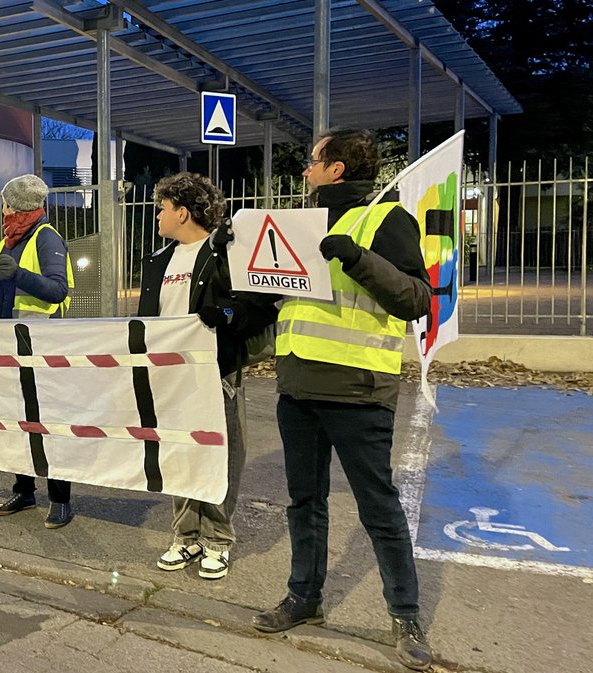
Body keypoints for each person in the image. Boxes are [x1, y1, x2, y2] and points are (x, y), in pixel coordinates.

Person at [251, 129, 433, 671]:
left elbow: (416, 299)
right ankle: (304, 599)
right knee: (305, 503)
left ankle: (405, 615)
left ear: (335, 169)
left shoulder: (385, 219)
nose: (304, 171)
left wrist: (355, 257)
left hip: (357, 392)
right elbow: (281, 299)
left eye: (311, 162)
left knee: (379, 510)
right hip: (297, 388)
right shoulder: (300, 225)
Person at [137, 173, 278, 579]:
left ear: (182, 211)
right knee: (180, 455)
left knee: (222, 454)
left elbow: (262, 309)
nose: (157, 217)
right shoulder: (157, 261)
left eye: (161, 208)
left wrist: (229, 315)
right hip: (169, 377)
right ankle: (185, 536)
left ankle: (217, 539)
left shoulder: (225, 256)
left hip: (217, 374)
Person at [0, 174, 76, 529]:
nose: (2, 208)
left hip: (42, 347)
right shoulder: (8, 239)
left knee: (49, 425)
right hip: (10, 345)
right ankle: (23, 490)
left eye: (5, 202)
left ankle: (60, 500)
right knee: (17, 423)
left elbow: (58, 291)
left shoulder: (46, 237)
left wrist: (19, 274)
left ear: (14, 205)